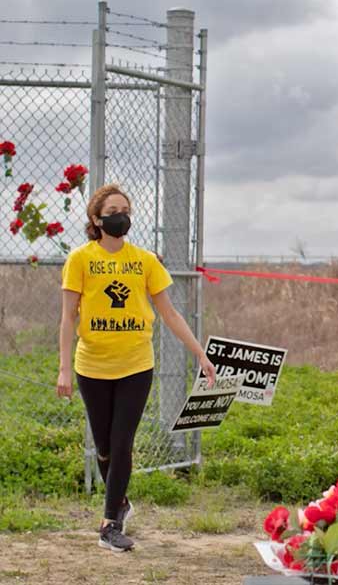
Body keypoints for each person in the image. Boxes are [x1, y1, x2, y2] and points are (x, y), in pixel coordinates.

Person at [57, 184, 216, 552]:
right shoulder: (80, 259)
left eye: (125, 209)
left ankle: (109, 523)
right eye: (113, 210)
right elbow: (67, 317)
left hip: (136, 365)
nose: (121, 215)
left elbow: (171, 313)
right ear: (97, 220)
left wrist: (200, 354)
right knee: (104, 447)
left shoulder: (145, 261)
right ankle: (121, 502)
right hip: (92, 366)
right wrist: (64, 368)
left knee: (122, 442)